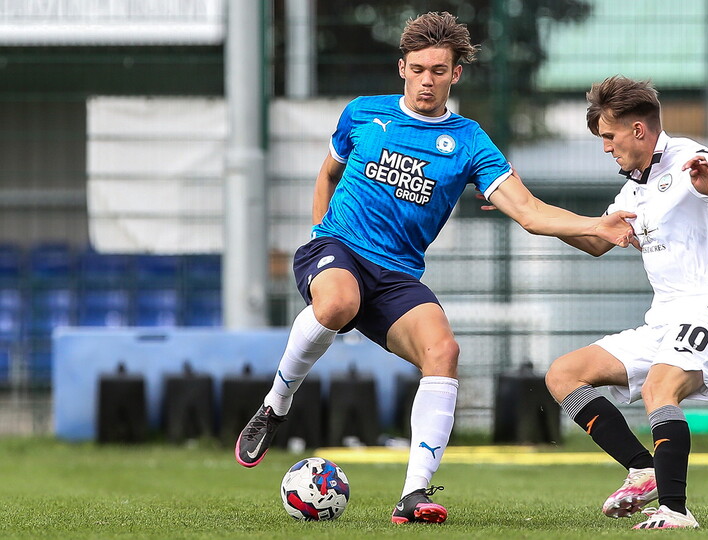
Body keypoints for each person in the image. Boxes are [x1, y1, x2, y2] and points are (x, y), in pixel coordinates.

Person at [234, 12, 638, 525]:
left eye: (439, 71)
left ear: (455, 75)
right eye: (419, 68)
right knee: (337, 302)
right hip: (339, 249)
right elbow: (328, 174)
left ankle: (413, 495)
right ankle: (276, 403)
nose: (427, 80)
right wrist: (320, 235)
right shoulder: (364, 114)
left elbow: (530, 212)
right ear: (402, 67)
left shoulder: (469, 142)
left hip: (398, 275)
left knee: (444, 351)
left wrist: (599, 226)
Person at [543, 76, 708, 530]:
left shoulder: (691, 159)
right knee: (563, 375)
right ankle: (642, 468)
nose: (606, 147)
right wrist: (530, 212)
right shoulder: (633, 187)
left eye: (609, 137)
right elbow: (597, 244)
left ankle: (675, 509)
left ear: (638, 130)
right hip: (663, 321)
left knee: (658, 388)